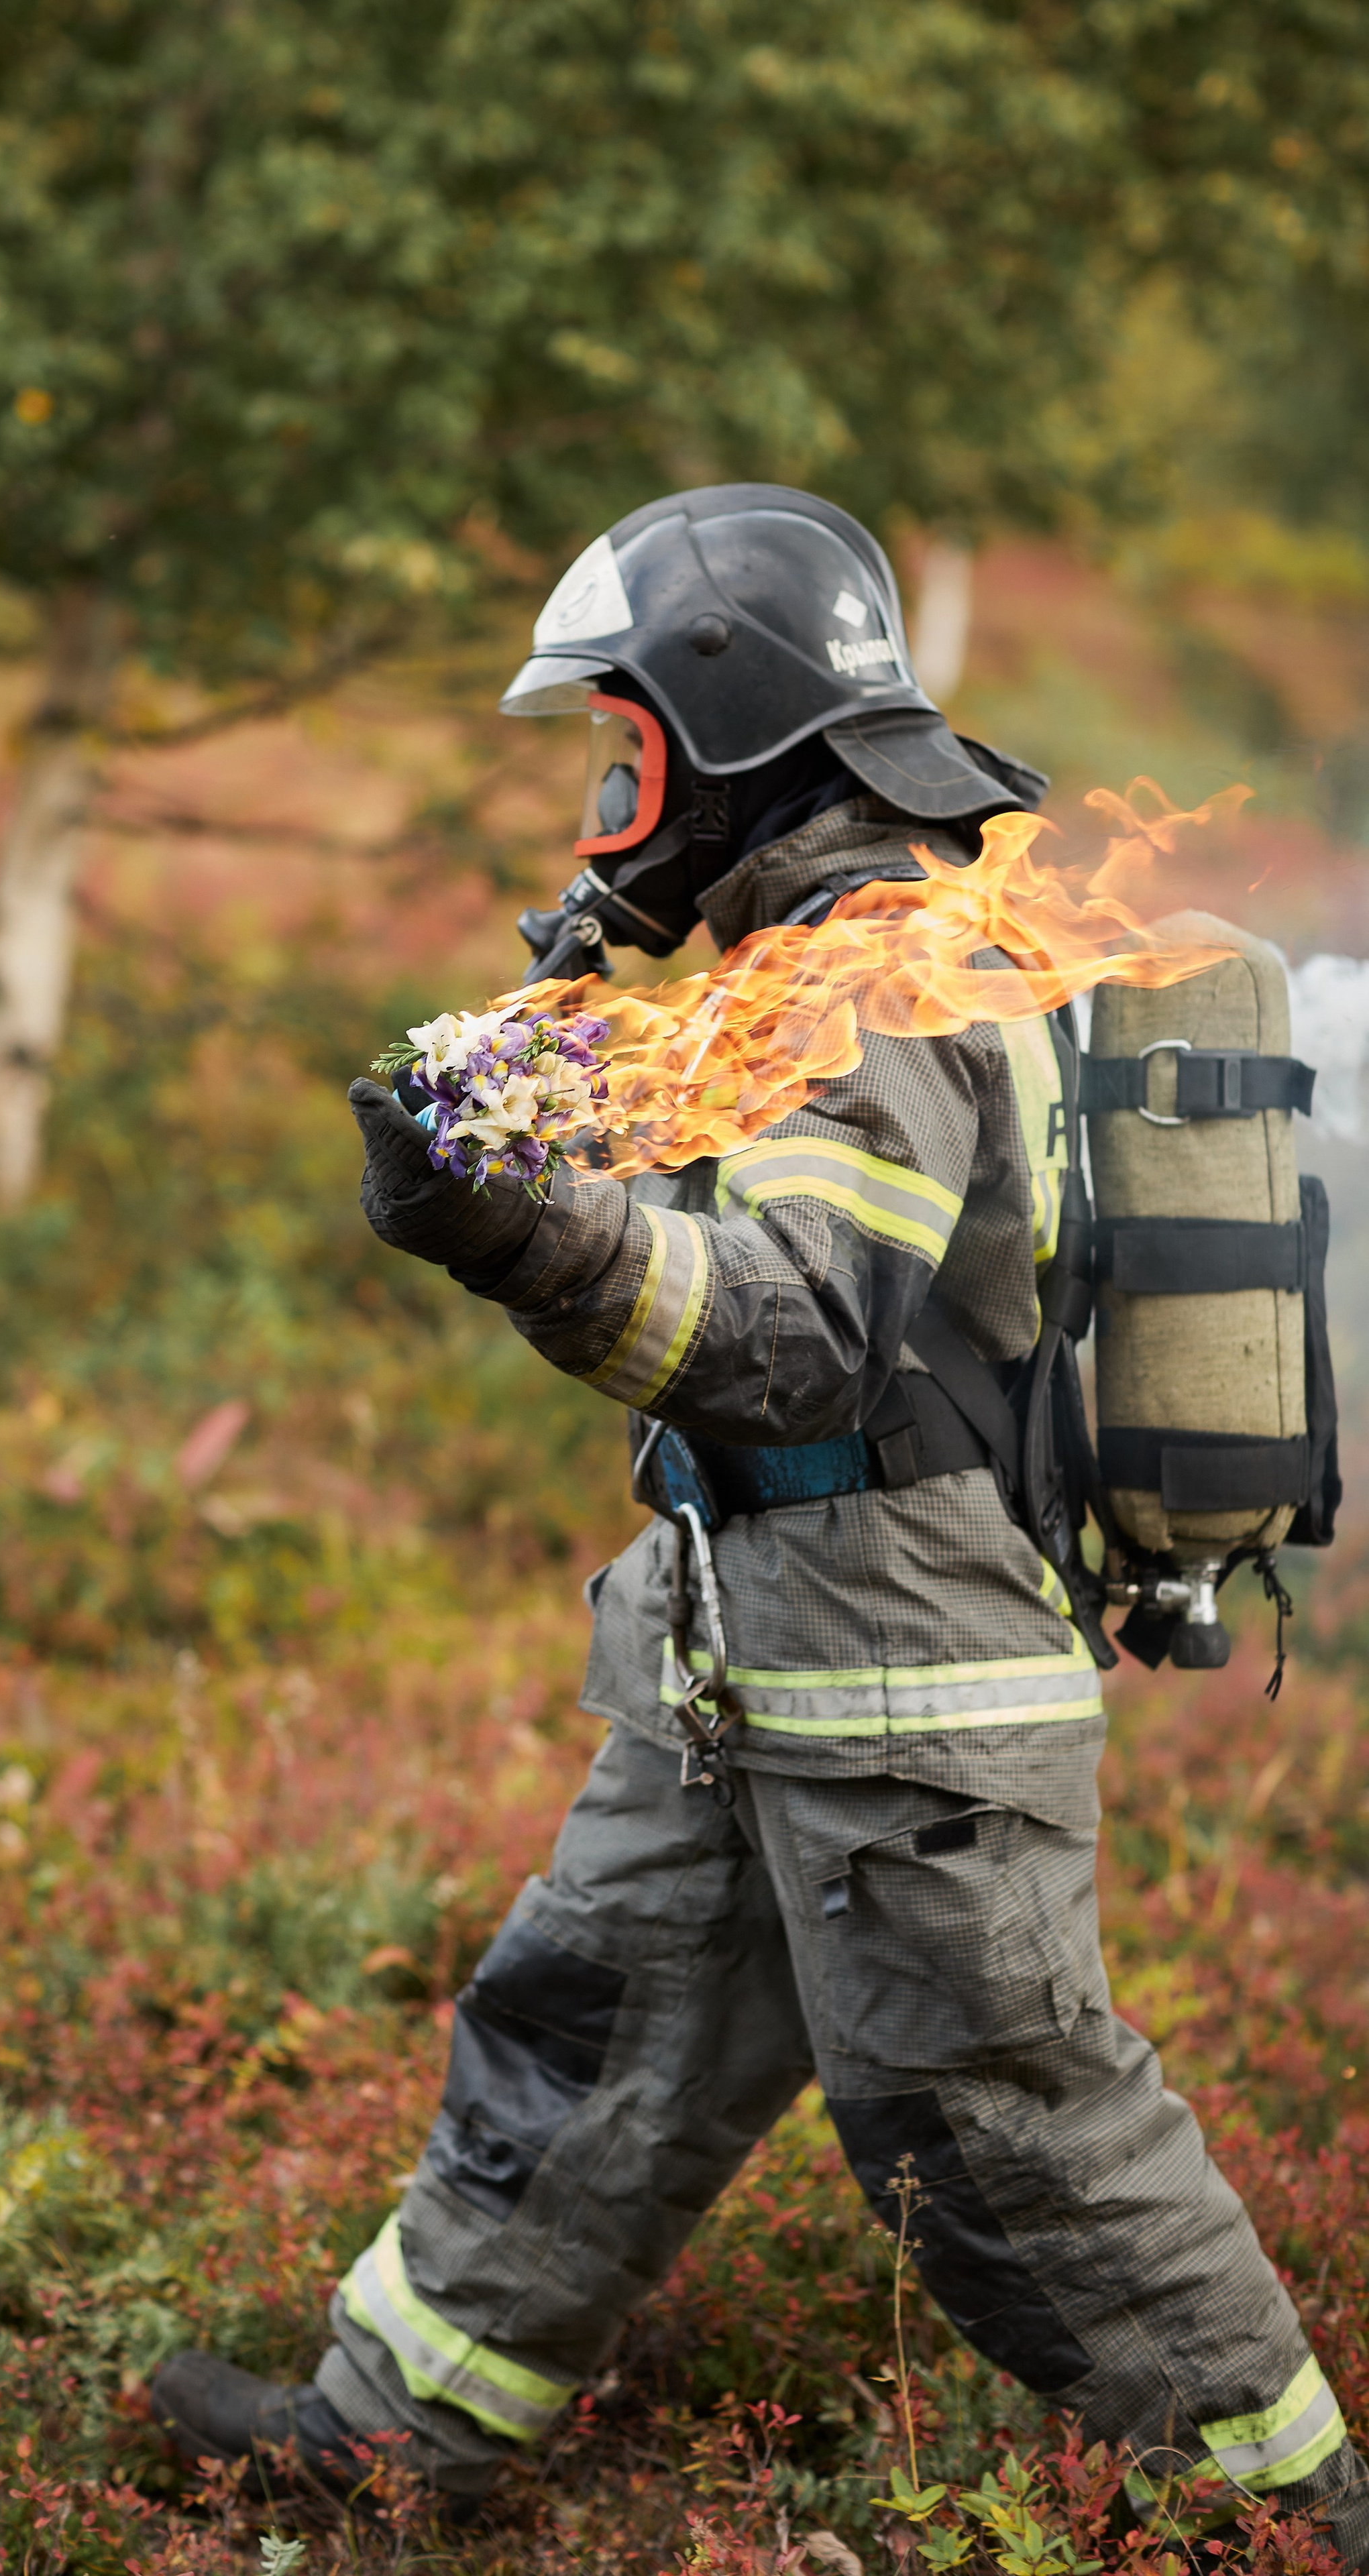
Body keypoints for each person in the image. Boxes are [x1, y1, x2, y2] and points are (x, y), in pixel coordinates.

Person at [151, 486, 1369, 2561]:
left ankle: (1288, 2510)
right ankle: (393, 2425)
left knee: (994, 2130)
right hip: (748, 1655)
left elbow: (798, 1338)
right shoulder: (792, 963)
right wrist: (530, 1104)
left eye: (615, 751)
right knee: (587, 2032)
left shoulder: (882, 977)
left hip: (903, 1686)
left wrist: (522, 1237)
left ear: (723, 737)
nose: (598, 806)